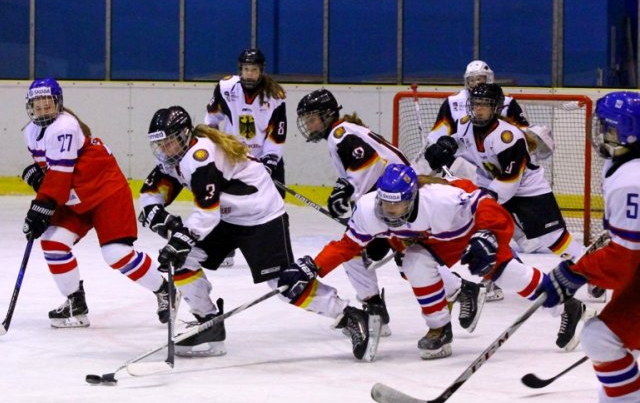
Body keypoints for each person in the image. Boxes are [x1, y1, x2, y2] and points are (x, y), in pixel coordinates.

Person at [139, 105, 380, 361]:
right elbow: (150, 192)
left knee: (284, 284)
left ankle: (351, 316)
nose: (164, 149)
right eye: (159, 143)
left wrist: (180, 238)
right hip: (228, 216)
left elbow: (206, 213)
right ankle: (209, 324)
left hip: (261, 217)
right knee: (184, 261)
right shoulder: (175, 158)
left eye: (169, 141)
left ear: (184, 135)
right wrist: (156, 214)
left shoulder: (199, 156)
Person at [278, 163, 578, 360]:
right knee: (414, 264)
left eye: (398, 203)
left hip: (466, 228)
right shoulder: (371, 209)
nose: (391, 210)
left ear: (412, 196)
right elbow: (347, 246)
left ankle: (567, 305)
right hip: (430, 239)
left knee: (505, 274)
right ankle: (440, 330)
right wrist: (313, 267)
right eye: (386, 202)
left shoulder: (442, 199)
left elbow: (489, 206)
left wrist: (486, 236)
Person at [296, 88, 487, 337]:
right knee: (386, 256)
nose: (309, 125)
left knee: (387, 256)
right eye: (307, 120)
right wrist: (350, 197)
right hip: (388, 202)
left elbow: (369, 164)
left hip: (396, 203)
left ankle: (453, 291)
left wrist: (346, 190)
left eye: (312, 119)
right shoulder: (342, 133)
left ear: (327, 114)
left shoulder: (340, 134)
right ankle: (379, 306)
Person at [424, 83, 595, 351]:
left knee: (554, 239)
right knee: (487, 245)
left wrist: (481, 201)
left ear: (495, 108)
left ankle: (594, 272)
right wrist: (443, 147)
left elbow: (509, 183)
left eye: (484, 105)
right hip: (491, 188)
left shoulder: (508, 136)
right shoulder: (467, 125)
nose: (478, 110)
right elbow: (458, 142)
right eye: (475, 104)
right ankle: (503, 275)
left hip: (527, 191)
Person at [536, 91, 640, 403]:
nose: (599, 135)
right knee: (605, 336)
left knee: (601, 336)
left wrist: (576, 273)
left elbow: (625, 260)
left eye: (606, 129)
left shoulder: (631, 178)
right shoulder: (625, 169)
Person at [21, 78, 171, 328]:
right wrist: (39, 179)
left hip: (105, 192)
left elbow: (59, 175)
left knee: (116, 254)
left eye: (47, 105)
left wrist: (40, 206)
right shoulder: (31, 132)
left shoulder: (65, 126)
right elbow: (52, 172)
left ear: (57, 104)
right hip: (75, 196)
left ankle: (165, 290)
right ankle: (75, 302)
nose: (42, 110)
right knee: (52, 243)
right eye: (37, 106)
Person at [421, 60, 554, 302]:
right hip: (475, 172)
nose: (476, 85)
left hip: (506, 173)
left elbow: (522, 137)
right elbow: (440, 136)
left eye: (481, 79)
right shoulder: (452, 103)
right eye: (472, 80)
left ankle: (508, 269)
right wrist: (438, 149)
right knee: (482, 225)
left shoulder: (506, 102)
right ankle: (500, 272)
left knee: (492, 225)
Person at [204, 48, 287, 268]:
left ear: (261, 71)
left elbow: (277, 134)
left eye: (254, 70)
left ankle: (273, 248)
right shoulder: (226, 88)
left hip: (263, 159)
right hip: (235, 160)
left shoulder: (275, 97)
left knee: (274, 202)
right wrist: (213, 144)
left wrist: (269, 161)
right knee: (229, 201)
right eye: (246, 69)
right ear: (240, 70)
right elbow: (212, 121)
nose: (249, 74)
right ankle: (226, 247)